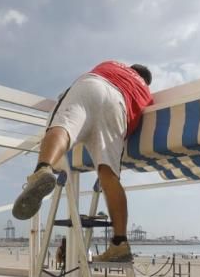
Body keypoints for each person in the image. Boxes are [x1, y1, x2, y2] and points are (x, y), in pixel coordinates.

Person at [13, 61, 153, 263]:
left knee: (65, 125)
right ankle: (120, 244)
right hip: (119, 106)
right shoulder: (145, 94)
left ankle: (43, 169)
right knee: (109, 175)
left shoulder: (112, 64)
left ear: (131, 68)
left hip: (94, 85)